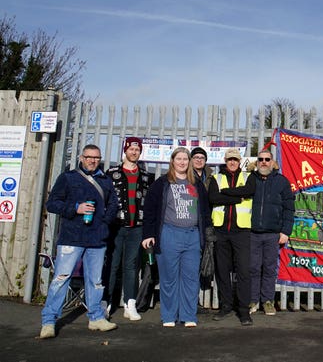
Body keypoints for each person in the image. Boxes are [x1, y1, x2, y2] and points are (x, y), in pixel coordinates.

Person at [40, 144, 119, 339]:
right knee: (60, 279)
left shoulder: (105, 181)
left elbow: (113, 205)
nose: (92, 160)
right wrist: (76, 208)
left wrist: (104, 223)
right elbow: (52, 204)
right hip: (72, 237)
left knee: (95, 281)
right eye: (89, 157)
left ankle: (96, 318)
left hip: (97, 239)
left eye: (96, 157)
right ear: (81, 157)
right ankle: (49, 321)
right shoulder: (68, 178)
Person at [141, 147, 211, 327]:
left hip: (192, 236)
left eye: (185, 159)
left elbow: (205, 211)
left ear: (189, 162)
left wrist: (206, 234)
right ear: (172, 161)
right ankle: (169, 316)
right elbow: (149, 210)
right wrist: (148, 234)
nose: (182, 162)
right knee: (169, 277)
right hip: (169, 234)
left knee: (190, 277)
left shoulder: (197, 184)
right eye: (178, 159)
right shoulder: (162, 183)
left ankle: (188, 316)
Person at [221, 150, 294, 316]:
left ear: (272, 162)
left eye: (267, 159)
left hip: (273, 233)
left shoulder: (281, 182)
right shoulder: (250, 179)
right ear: (257, 162)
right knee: (252, 268)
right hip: (252, 232)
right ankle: (252, 300)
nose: (264, 162)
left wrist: (285, 231)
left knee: (269, 268)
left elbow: (289, 208)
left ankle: (267, 301)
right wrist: (223, 191)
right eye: (260, 159)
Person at [103, 137, 155, 321]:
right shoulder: (111, 173)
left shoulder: (146, 176)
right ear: (125, 150)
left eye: (137, 150)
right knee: (112, 265)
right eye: (131, 149)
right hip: (116, 227)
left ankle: (130, 303)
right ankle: (106, 302)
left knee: (131, 266)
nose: (134, 152)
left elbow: (150, 206)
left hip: (137, 228)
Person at [208, 148, 253, 326]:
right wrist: (236, 197)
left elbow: (249, 192)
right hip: (221, 231)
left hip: (242, 231)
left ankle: (243, 310)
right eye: (229, 160)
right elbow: (213, 198)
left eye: (235, 159)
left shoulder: (248, 178)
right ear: (225, 162)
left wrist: (225, 192)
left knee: (243, 271)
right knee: (222, 270)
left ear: (239, 161)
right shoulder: (216, 178)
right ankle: (225, 306)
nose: (232, 162)